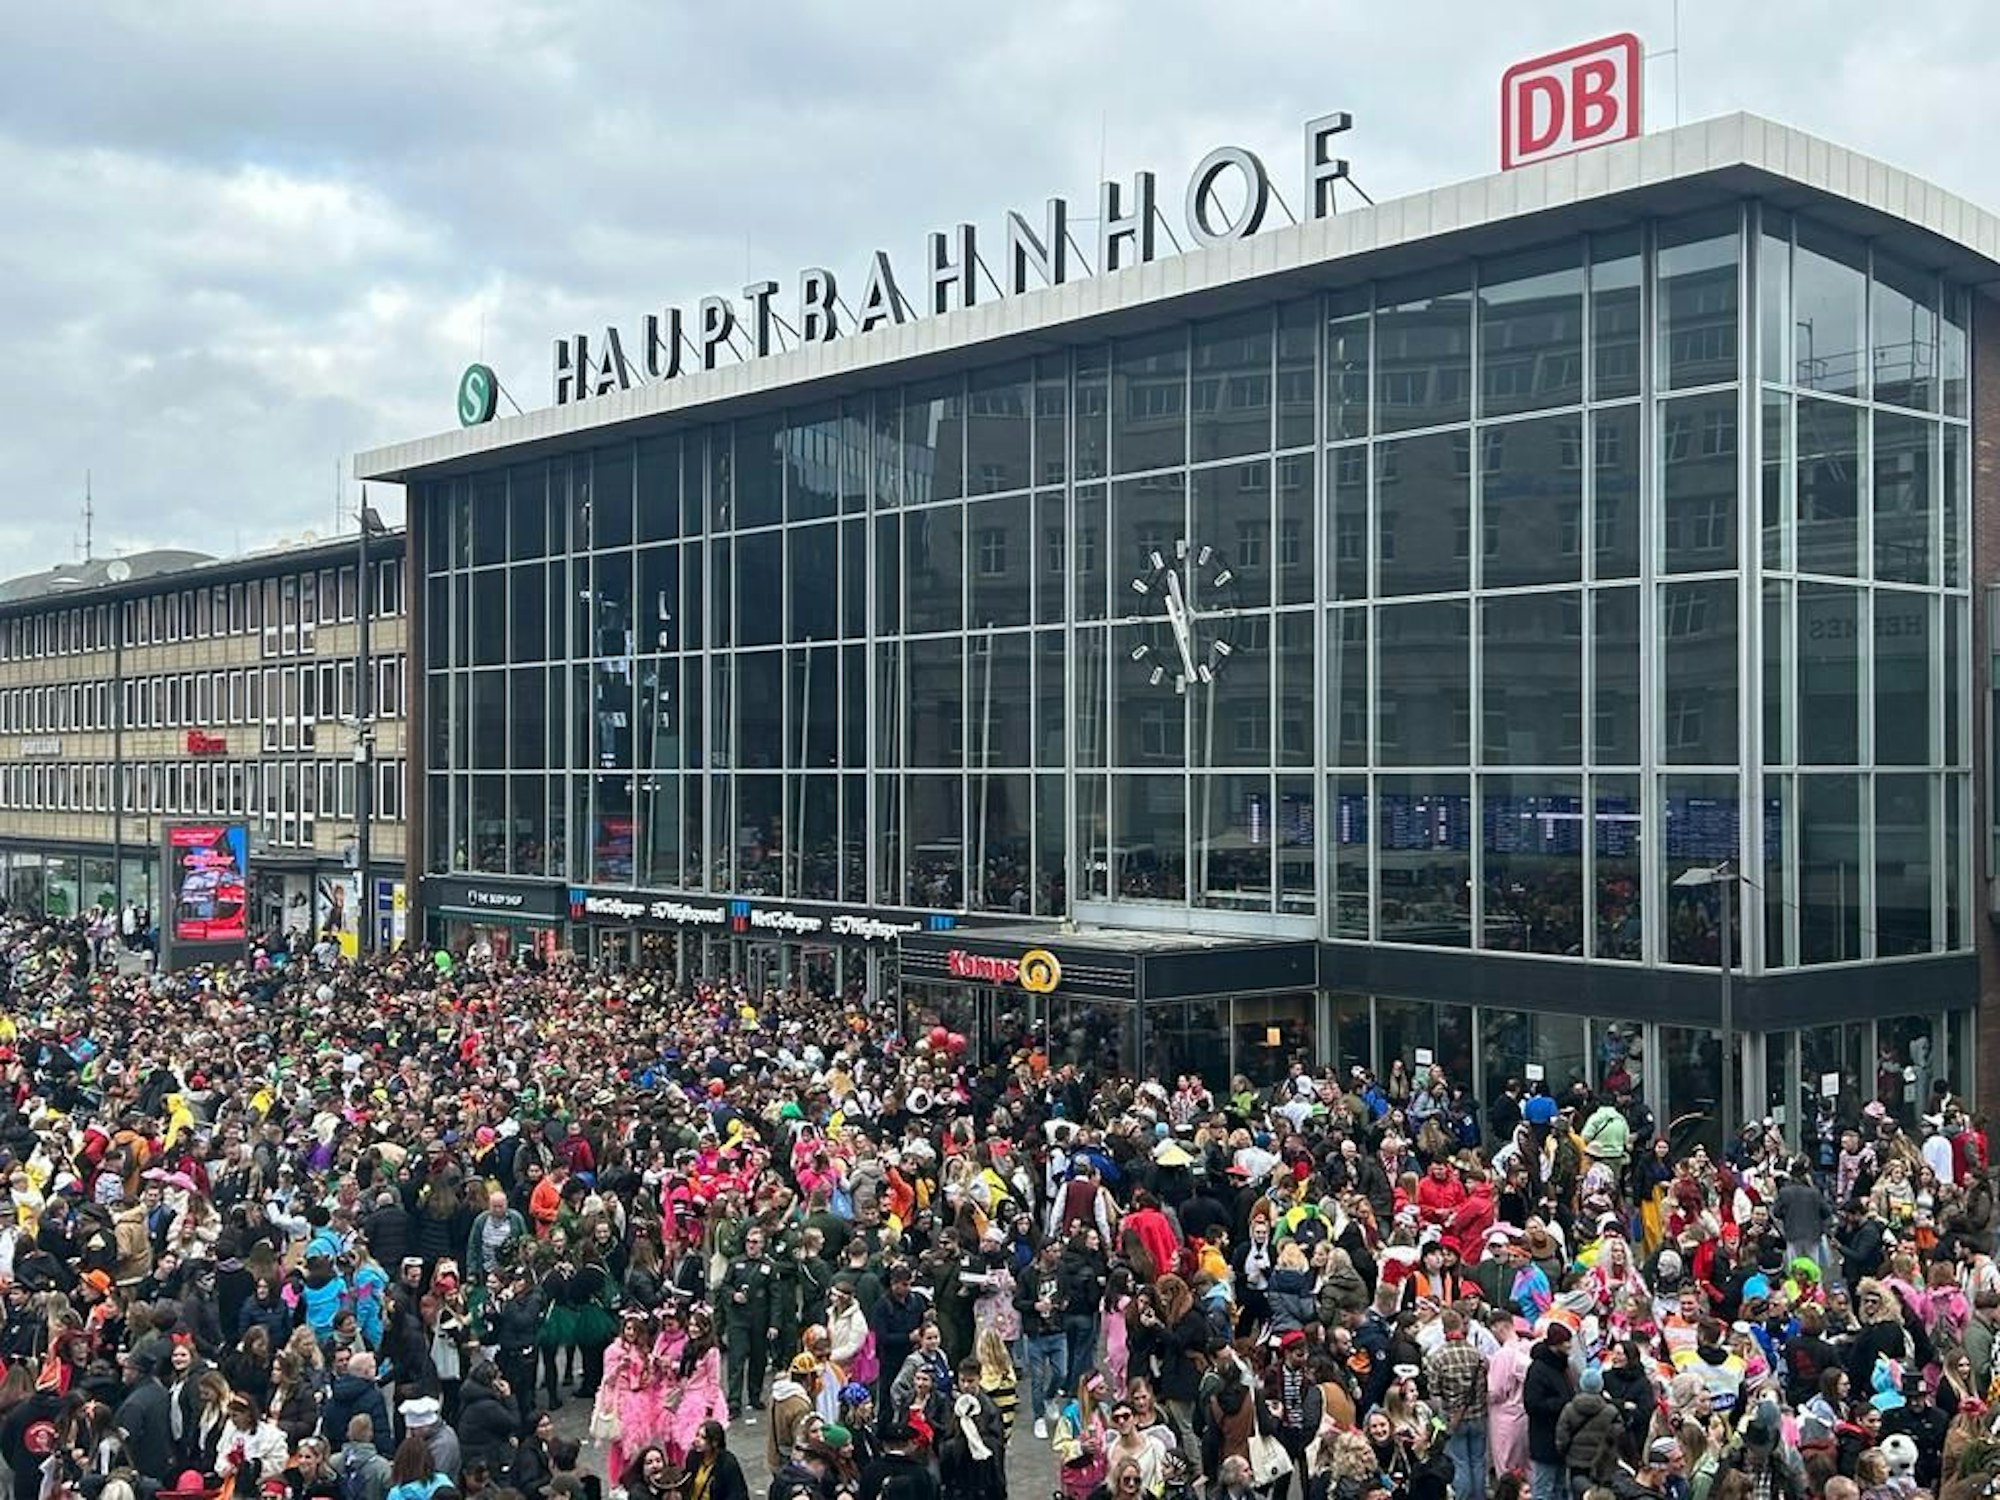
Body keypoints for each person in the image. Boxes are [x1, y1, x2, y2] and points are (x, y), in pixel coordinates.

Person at [684, 1421, 748, 1500]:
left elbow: (737, 1494)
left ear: (715, 1442)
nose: (697, 1440)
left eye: (703, 1437)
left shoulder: (728, 1463)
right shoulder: (693, 1456)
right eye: (697, 1435)